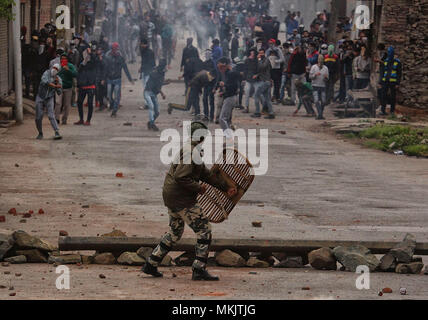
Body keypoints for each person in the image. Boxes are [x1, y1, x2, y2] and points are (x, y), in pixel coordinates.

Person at [142, 121, 237, 281]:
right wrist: (198, 188)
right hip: (182, 199)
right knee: (204, 231)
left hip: (171, 196)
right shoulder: (191, 151)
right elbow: (181, 176)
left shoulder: (191, 148)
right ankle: (199, 269)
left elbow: (204, 174)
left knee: (175, 232)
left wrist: (224, 186)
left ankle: (151, 263)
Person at [105, 42, 135, 117]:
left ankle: (114, 110)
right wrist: (103, 78)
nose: (115, 50)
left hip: (117, 79)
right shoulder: (108, 57)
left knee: (117, 96)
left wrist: (130, 79)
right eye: (114, 49)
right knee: (109, 95)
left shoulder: (120, 58)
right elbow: (104, 68)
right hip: (109, 79)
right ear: (111, 49)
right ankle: (112, 105)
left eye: (116, 49)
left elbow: (125, 68)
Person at [35, 64, 63, 140]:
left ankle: (57, 132)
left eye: (56, 69)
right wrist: (54, 85)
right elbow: (44, 81)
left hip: (49, 98)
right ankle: (40, 132)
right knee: (38, 116)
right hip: (40, 96)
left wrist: (57, 84)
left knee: (51, 115)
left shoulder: (58, 79)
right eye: (54, 68)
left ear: (58, 71)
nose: (54, 70)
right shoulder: (46, 73)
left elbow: (59, 92)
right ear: (51, 67)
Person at [218, 57, 242, 139]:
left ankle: (229, 138)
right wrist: (223, 92)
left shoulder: (231, 73)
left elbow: (233, 86)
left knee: (222, 119)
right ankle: (229, 138)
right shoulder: (227, 73)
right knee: (227, 120)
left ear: (225, 66)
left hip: (230, 98)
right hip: (229, 97)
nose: (220, 69)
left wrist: (224, 85)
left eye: (221, 67)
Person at [75, 48, 97, 126]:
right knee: (79, 102)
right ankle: (81, 119)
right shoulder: (82, 64)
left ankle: (88, 120)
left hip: (91, 85)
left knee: (90, 103)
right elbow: (78, 74)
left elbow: (95, 59)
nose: (86, 56)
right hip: (82, 85)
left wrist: (90, 53)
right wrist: (78, 85)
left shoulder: (93, 62)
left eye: (87, 55)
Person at [251, 48, 275, 119]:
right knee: (267, 98)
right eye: (260, 53)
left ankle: (257, 112)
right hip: (266, 81)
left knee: (256, 96)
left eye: (262, 53)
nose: (260, 54)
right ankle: (271, 113)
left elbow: (262, 67)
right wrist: (257, 75)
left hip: (265, 81)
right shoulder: (262, 60)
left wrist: (258, 59)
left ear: (264, 53)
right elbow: (261, 71)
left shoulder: (266, 60)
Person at [145, 59, 167, 131]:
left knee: (157, 112)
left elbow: (159, 83)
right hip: (148, 92)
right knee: (151, 107)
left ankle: (150, 122)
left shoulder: (160, 72)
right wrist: (162, 94)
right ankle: (152, 124)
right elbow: (157, 85)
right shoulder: (156, 72)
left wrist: (165, 82)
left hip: (154, 94)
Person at [379, 46, 402, 115]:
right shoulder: (385, 62)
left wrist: (397, 83)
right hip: (385, 81)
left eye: (391, 52)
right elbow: (382, 72)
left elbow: (399, 73)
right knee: (383, 96)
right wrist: (380, 82)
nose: (390, 54)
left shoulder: (397, 62)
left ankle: (392, 111)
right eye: (389, 52)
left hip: (393, 82)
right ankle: (383, 110)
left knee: (393, 97)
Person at [55, 54, 77, 125]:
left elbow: (75, 74)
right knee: (58, 103)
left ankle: (64, 119)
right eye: (62, 59)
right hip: (59, 87)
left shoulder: (70, 66)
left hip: (68, 88)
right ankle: (56, 119)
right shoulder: (57, 66)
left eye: (65, 59)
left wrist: (68, 70)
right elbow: (53, 74)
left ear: (67, 59)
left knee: (67, 105)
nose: (63, 60)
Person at [309, 55, 329, 120]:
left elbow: (327, 78)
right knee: (316, 101)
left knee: (323, 101)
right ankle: (320, 114)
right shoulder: (314, 67)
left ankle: (320, 114)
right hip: (315, 85)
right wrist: (315, 75)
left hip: (323, 86)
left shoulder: (325, 68)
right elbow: (310, 76)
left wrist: (326, 78)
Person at [242, 48, 258, 113]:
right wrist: (244, 79)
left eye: (253, 53)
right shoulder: (247, 60)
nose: (252, 54)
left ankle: (263, 107)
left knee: (258, 93)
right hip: (248, 79)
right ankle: (246, 107)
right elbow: (245, 70)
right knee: (247, 93)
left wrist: (257, 75)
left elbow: (258, 69)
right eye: (251, 53)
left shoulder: (257, 61)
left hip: (255, 79)